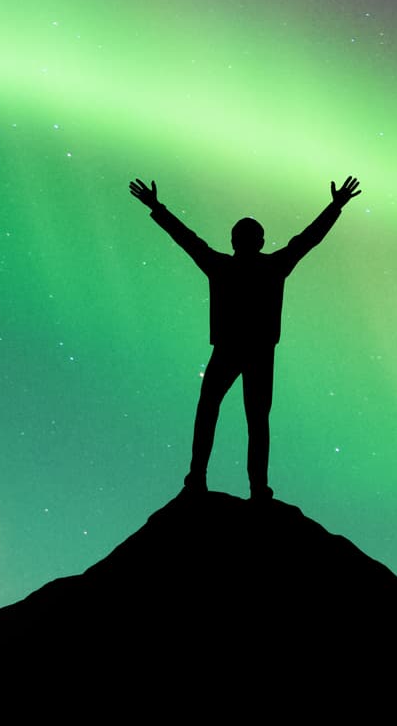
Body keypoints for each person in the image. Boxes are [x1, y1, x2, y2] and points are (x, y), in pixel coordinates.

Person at [130, 173, 360, 500]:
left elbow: (186, 239)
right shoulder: (270, 266)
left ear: (235, 241)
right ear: (260, 241)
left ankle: (201, 478)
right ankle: (252, 488)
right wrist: (335, 206)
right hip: (256, 350)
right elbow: (308, 239)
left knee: (214, 410)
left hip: (233, 348)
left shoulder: (223, 266)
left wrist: (157, 207)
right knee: (251, 419)